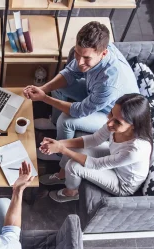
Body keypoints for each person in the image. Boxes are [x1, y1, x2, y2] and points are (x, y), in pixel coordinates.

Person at [23, 21, 139, 161]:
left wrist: (44, 98)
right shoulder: (98, 49)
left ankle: (58, 153)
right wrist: (44, 89)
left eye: (86, 58)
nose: (79, 62)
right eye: (78, 54)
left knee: (66, 120)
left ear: (104, 53)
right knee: (57, 86)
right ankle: (53, 124)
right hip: (93, 91)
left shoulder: (109, 84)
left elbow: (78, 111)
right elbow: (70, 73)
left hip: (110, 113)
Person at [38, 93, 153, 203]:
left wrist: (61, 149)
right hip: (114, 156)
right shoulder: (114, 124)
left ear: (133, 126)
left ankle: (71, 193)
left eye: (117, 122)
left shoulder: (135, 150)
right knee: (73, 149)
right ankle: (61, 176)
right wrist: (60, 143)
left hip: (122, 183)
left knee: (74, 166)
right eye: (111, 113)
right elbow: (93, 139)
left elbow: (96, 164)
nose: (109, 123)